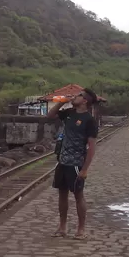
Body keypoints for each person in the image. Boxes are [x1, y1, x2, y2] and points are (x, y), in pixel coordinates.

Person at [47, 88, 99, 239]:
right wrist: (60, 103)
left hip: (76, 163)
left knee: (78, 196)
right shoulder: (69, 113)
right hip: (62, 161)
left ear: (84, 101)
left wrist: (85, 169)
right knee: (62, 194)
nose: (74, 97)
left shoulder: (89, 121)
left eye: (79, 95)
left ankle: (80, 230)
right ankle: (62, 227)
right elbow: (50, 116)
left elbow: (92, 147)